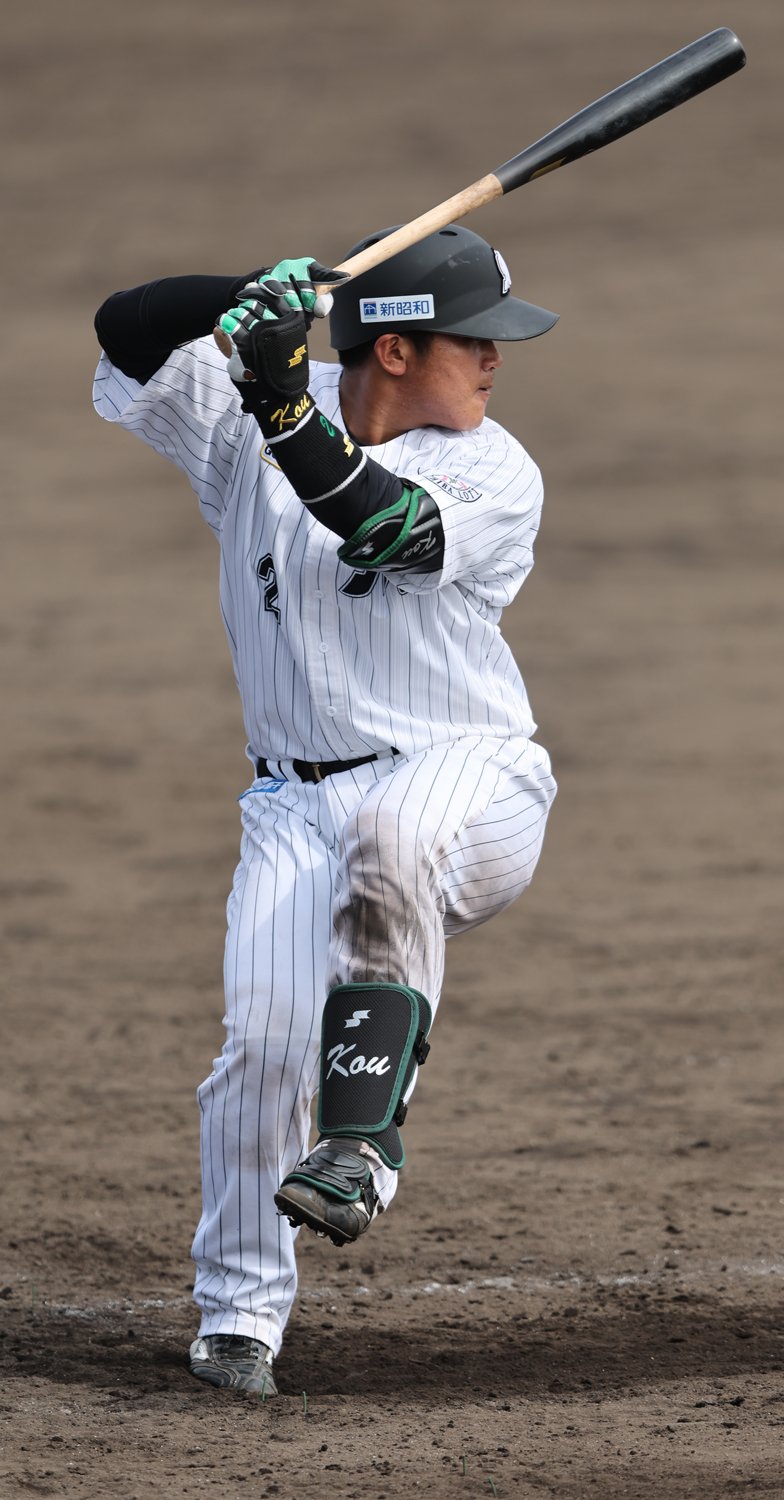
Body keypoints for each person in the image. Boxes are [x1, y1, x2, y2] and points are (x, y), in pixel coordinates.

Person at [92, 228, 559, 1395]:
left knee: (390, 836)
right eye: (477, 342)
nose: (497, 364)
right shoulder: (243, 429)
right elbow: (126, 326)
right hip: (289, 805)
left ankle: (359, 1144)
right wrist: (249, 296)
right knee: (258, 1051)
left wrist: (283, 398)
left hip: (469, 778)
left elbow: (382, 527)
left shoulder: (492, 468)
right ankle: (239, 1321)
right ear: (393, 350)